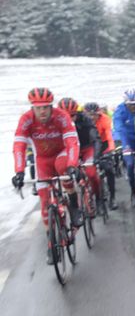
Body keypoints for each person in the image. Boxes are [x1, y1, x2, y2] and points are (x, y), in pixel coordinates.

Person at [12, 88, 82, 264]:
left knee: (63, 168)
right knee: (44, 203)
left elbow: (72, 142)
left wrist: (72, 165)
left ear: (51, 106)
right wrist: (19, 171)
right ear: (32, 108)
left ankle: (73, 206)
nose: (42, 111)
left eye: (45, 107)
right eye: (38, 108)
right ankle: (51, 243)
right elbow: (19, 146)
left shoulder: (61, 116)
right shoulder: (26, 119)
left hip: (62, 154)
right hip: (42, 160)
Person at [58, 98, 104, 213]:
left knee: (92, 173)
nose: (69, 119)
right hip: (70, 151)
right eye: (65, 116)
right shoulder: (56, 123)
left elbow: (96, 139)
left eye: (72, 115)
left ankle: (99, 200)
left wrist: (96, 157)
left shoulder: (85, 119)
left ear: (77, 113)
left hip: (86, 148)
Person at [84, 101, 119, 210]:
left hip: (104, 145)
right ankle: (92, 196)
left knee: (109, 169)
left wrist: (112, 149)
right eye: (90, 115)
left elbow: (109, 135)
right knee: (88, 172)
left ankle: (112, 198)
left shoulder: (104, 119)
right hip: (90, 146)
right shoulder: (84, 122)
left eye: (94, 114)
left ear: (98, 113)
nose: (92, 117)